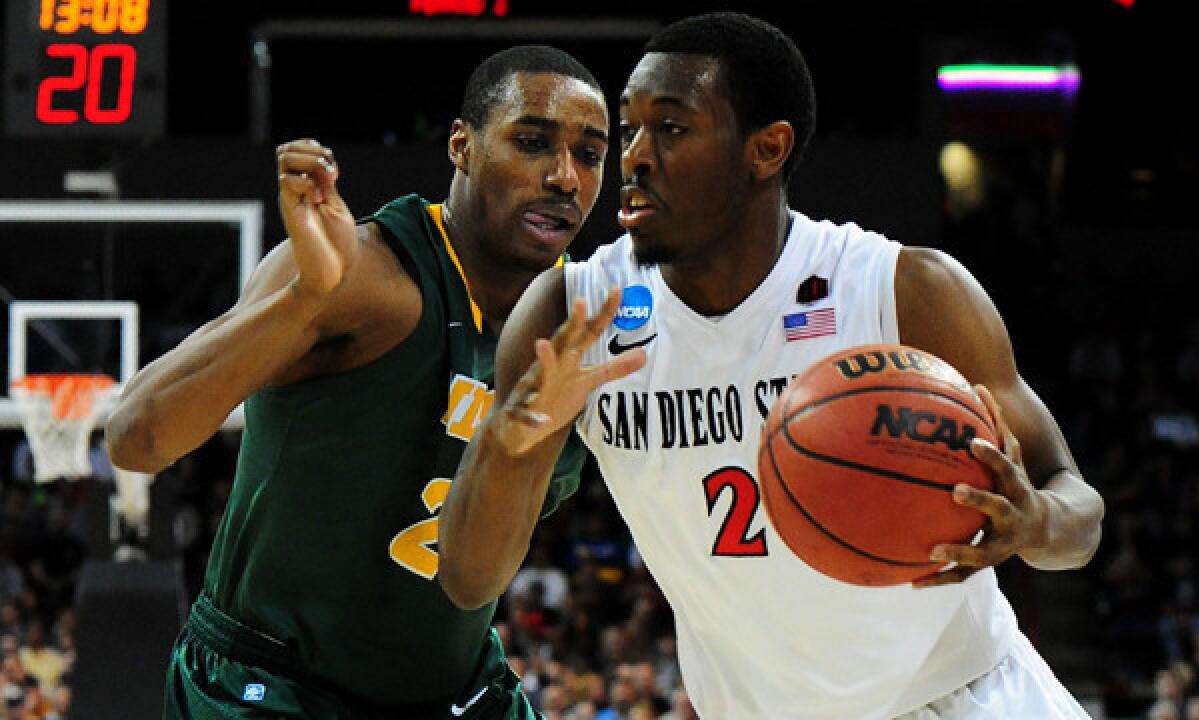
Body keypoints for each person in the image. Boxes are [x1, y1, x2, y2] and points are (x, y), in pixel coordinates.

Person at [438, 13, 1105, 720]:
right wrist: (510, 450)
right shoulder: (571, 316)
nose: (634, 156)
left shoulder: (903, 291)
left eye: (670, 128)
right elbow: (468, 578)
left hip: (964, 699)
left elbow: (1078, 511)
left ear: (766, 149)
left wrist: (1035, 523)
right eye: (629, 129)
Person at [104, 45, 611, 719]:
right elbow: (136, 440)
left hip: (454, 690)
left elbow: (474, 580)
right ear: (461, 145)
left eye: (590, 154)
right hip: (271, 682)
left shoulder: (582, 326)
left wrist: (520, 439)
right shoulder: (367, 274)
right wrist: (306, 299)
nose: (563, 177)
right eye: (531, 142)